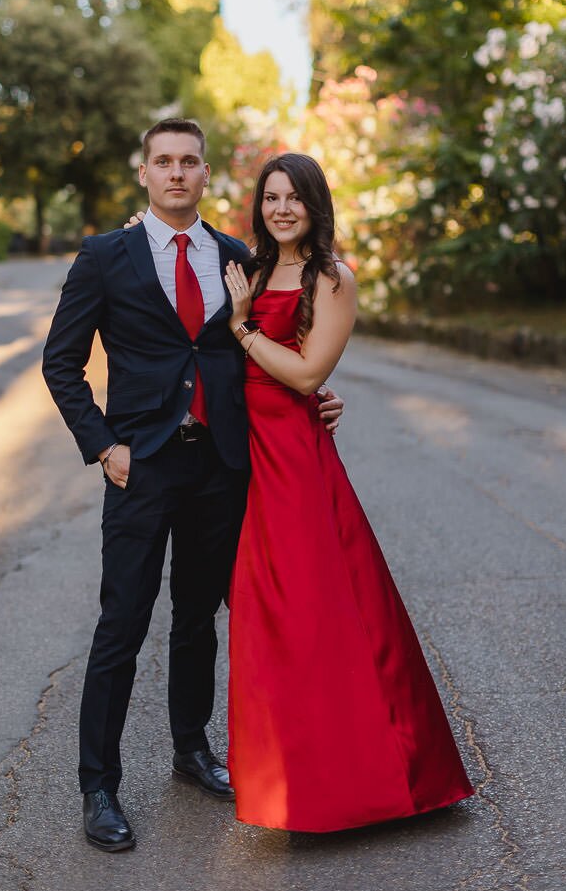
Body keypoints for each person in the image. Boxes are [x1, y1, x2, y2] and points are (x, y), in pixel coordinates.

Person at [41, 120, 343, 852]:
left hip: (219, 468)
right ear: (144, 172)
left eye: (189, 163)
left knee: (198, 616)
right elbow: (61, 363)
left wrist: (316, 401)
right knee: (124, 623)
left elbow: (274, 349)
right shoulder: (104, 257)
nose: (177, 173)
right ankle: (99, 785)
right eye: (163, 162)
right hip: (139, 465)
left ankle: (190, 748)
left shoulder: (238, 259)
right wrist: (104, 447)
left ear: (206, 175)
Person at [223, 151, 475, 832]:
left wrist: (244, 330)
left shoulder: (332, 277)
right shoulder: (249, 269)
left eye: (293, 198)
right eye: (271, 197)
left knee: (320, 608)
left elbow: (305, 377)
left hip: (296, 458)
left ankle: (383, 780)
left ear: (314, 204)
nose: (281, 209)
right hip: (246, 455)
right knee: (265, 614)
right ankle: (292, 782)